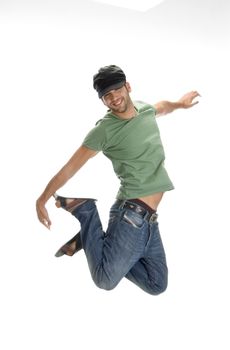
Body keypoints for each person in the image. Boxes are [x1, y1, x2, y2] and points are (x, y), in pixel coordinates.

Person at [36, 65, 200, 295]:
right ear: (102, 101)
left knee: (157, 285)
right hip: (130, 216)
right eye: (106, 95)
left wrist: (180, 104)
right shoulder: (104, 130)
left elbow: (162, 107)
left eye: (116, 90)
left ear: (128, 87)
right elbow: (70, 167)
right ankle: (86, 212)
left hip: (149, 221)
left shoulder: (144, 109)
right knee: (104, 280)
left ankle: (96, 240)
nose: (114, 98)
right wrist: (42, 199)